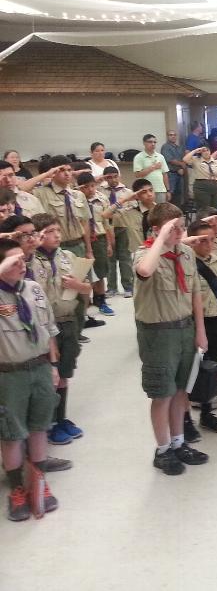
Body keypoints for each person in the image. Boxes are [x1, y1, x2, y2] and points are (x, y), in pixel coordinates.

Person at [133, 203, 209, 475]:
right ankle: (162, 448)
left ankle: (178, 442)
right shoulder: (144, 255)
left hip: (185, 329)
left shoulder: (186, 253)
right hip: (158, 334)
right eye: (172, 228)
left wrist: (200, 330)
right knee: (162, 394)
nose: (179, 232)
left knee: (181, 391)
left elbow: (195, 294)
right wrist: (162, 237)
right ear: (157, 230)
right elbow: (144, 271)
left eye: (180, 227)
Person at [0, 237, 67, 521]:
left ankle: (38, 480)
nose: (21, 265)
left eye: (23, 260)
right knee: (12, 434)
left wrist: (52, 365)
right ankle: (16, 488)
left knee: (40, 427)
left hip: (39, 367)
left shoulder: (34, 289)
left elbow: (49, 328)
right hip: (9, 374)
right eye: (14, 261)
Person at [29, 213, 91, 445]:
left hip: (67, 321)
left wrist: (78, 286)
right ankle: (47, 423)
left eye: (58, 230)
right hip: (44, 325)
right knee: (48, 376)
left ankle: (60, 419)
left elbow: (86, 290)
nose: (57, 235)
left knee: (64, 373)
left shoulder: (68, 256)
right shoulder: (30, 261)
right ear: (38, 236)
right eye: (50, 231)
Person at [185, 219, 217, 434]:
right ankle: (184, 417)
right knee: (188, 371)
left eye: (212, 240)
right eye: (203, 240)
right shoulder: (185, 264)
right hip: (191, 322)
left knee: (212, 368)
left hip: (216, 321)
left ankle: (207, 412)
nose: (209, 244)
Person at [77, 173, 115, 317]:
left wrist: (109, 243)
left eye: (93, 186)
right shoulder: (75, 199)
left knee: (100, 272)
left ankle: (101, 302)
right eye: (86, 187)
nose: (91, 190)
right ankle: (83, 307)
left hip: (99, 238)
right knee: (84, 273)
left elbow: (106, 222)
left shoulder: (102, 198)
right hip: (81, 239)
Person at [183, 146, 217, 212]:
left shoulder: (216, 162)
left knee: (215, 209)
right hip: (202, 186)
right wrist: (195, 150)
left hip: (216, 186)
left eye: (207, 150)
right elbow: (185, 159)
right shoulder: (196, 160)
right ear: (201, 153)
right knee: (205, 209)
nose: (206, 152)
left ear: (210, 151)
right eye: (203, 151)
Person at [132, 133, 170, 203]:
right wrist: (153, 167)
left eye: (154, 142)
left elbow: (165, 174)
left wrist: (168, 190)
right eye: (150, 142)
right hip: (146, 191)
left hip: (160, 190)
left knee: (160, 211)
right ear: (144, 143)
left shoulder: (160, 157)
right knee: (148, 212)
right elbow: (137, 174)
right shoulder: (139, 157)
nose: (153, 144)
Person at [160, 130, 186, 205]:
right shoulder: (165, 147)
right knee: (170, 195)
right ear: (167, 137)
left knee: (179, 195)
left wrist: (181, 167)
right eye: (171, 135)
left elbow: (183, 159)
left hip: (179, 174)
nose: (173, 136)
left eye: (174, 135)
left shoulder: (179, 147)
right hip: (170, 174)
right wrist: (181, 165)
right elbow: (169, 159)